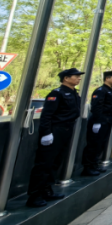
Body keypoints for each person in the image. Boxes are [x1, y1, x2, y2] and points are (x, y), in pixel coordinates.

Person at [27, 68, 85, 208]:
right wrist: (46, 133)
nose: (79, 78)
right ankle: (34, 195)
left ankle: (47, 190)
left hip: (66, 130)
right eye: (76, 76)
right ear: (66, 78)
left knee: (55, 162)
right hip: (55, 131)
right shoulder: (56, 93)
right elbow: (47, 115)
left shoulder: (74, 94)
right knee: (44, 163)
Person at [81, 71, 112, 176]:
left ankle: (95, 164)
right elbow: (96, 107)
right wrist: (97, 121)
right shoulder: (101, 90)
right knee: (93, 144)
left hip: (108, 120)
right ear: (107, 78)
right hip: (100, 120)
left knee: (101, 144)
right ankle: (87, 167)